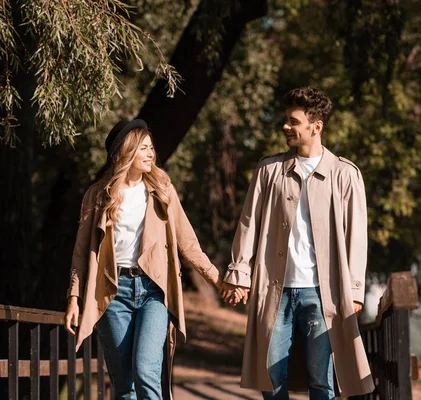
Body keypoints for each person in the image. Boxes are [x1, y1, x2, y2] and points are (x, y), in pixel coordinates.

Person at [64, 119, 242, 400]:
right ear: (125, 152)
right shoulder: (98, 196)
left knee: (145, 369)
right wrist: (74, 298)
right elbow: (80, 251)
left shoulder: (162, 190)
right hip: (112, 294)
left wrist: (219, 280)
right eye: (143, 148)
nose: (150, 154)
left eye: (151, 148)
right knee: (123, 384)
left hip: (153, 292)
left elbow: (188, 242)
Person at [222, 87, 375, 399]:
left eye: (293, 121)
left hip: (323, 293)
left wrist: (355, 291)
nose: (285, 127)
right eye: (286, 120)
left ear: (315, 126)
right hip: (274, 291)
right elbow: (248, 225)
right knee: (270, 377)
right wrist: (239, 274)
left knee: (322, 379)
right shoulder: (268, 170)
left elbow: (356, 238)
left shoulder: (344, 175)